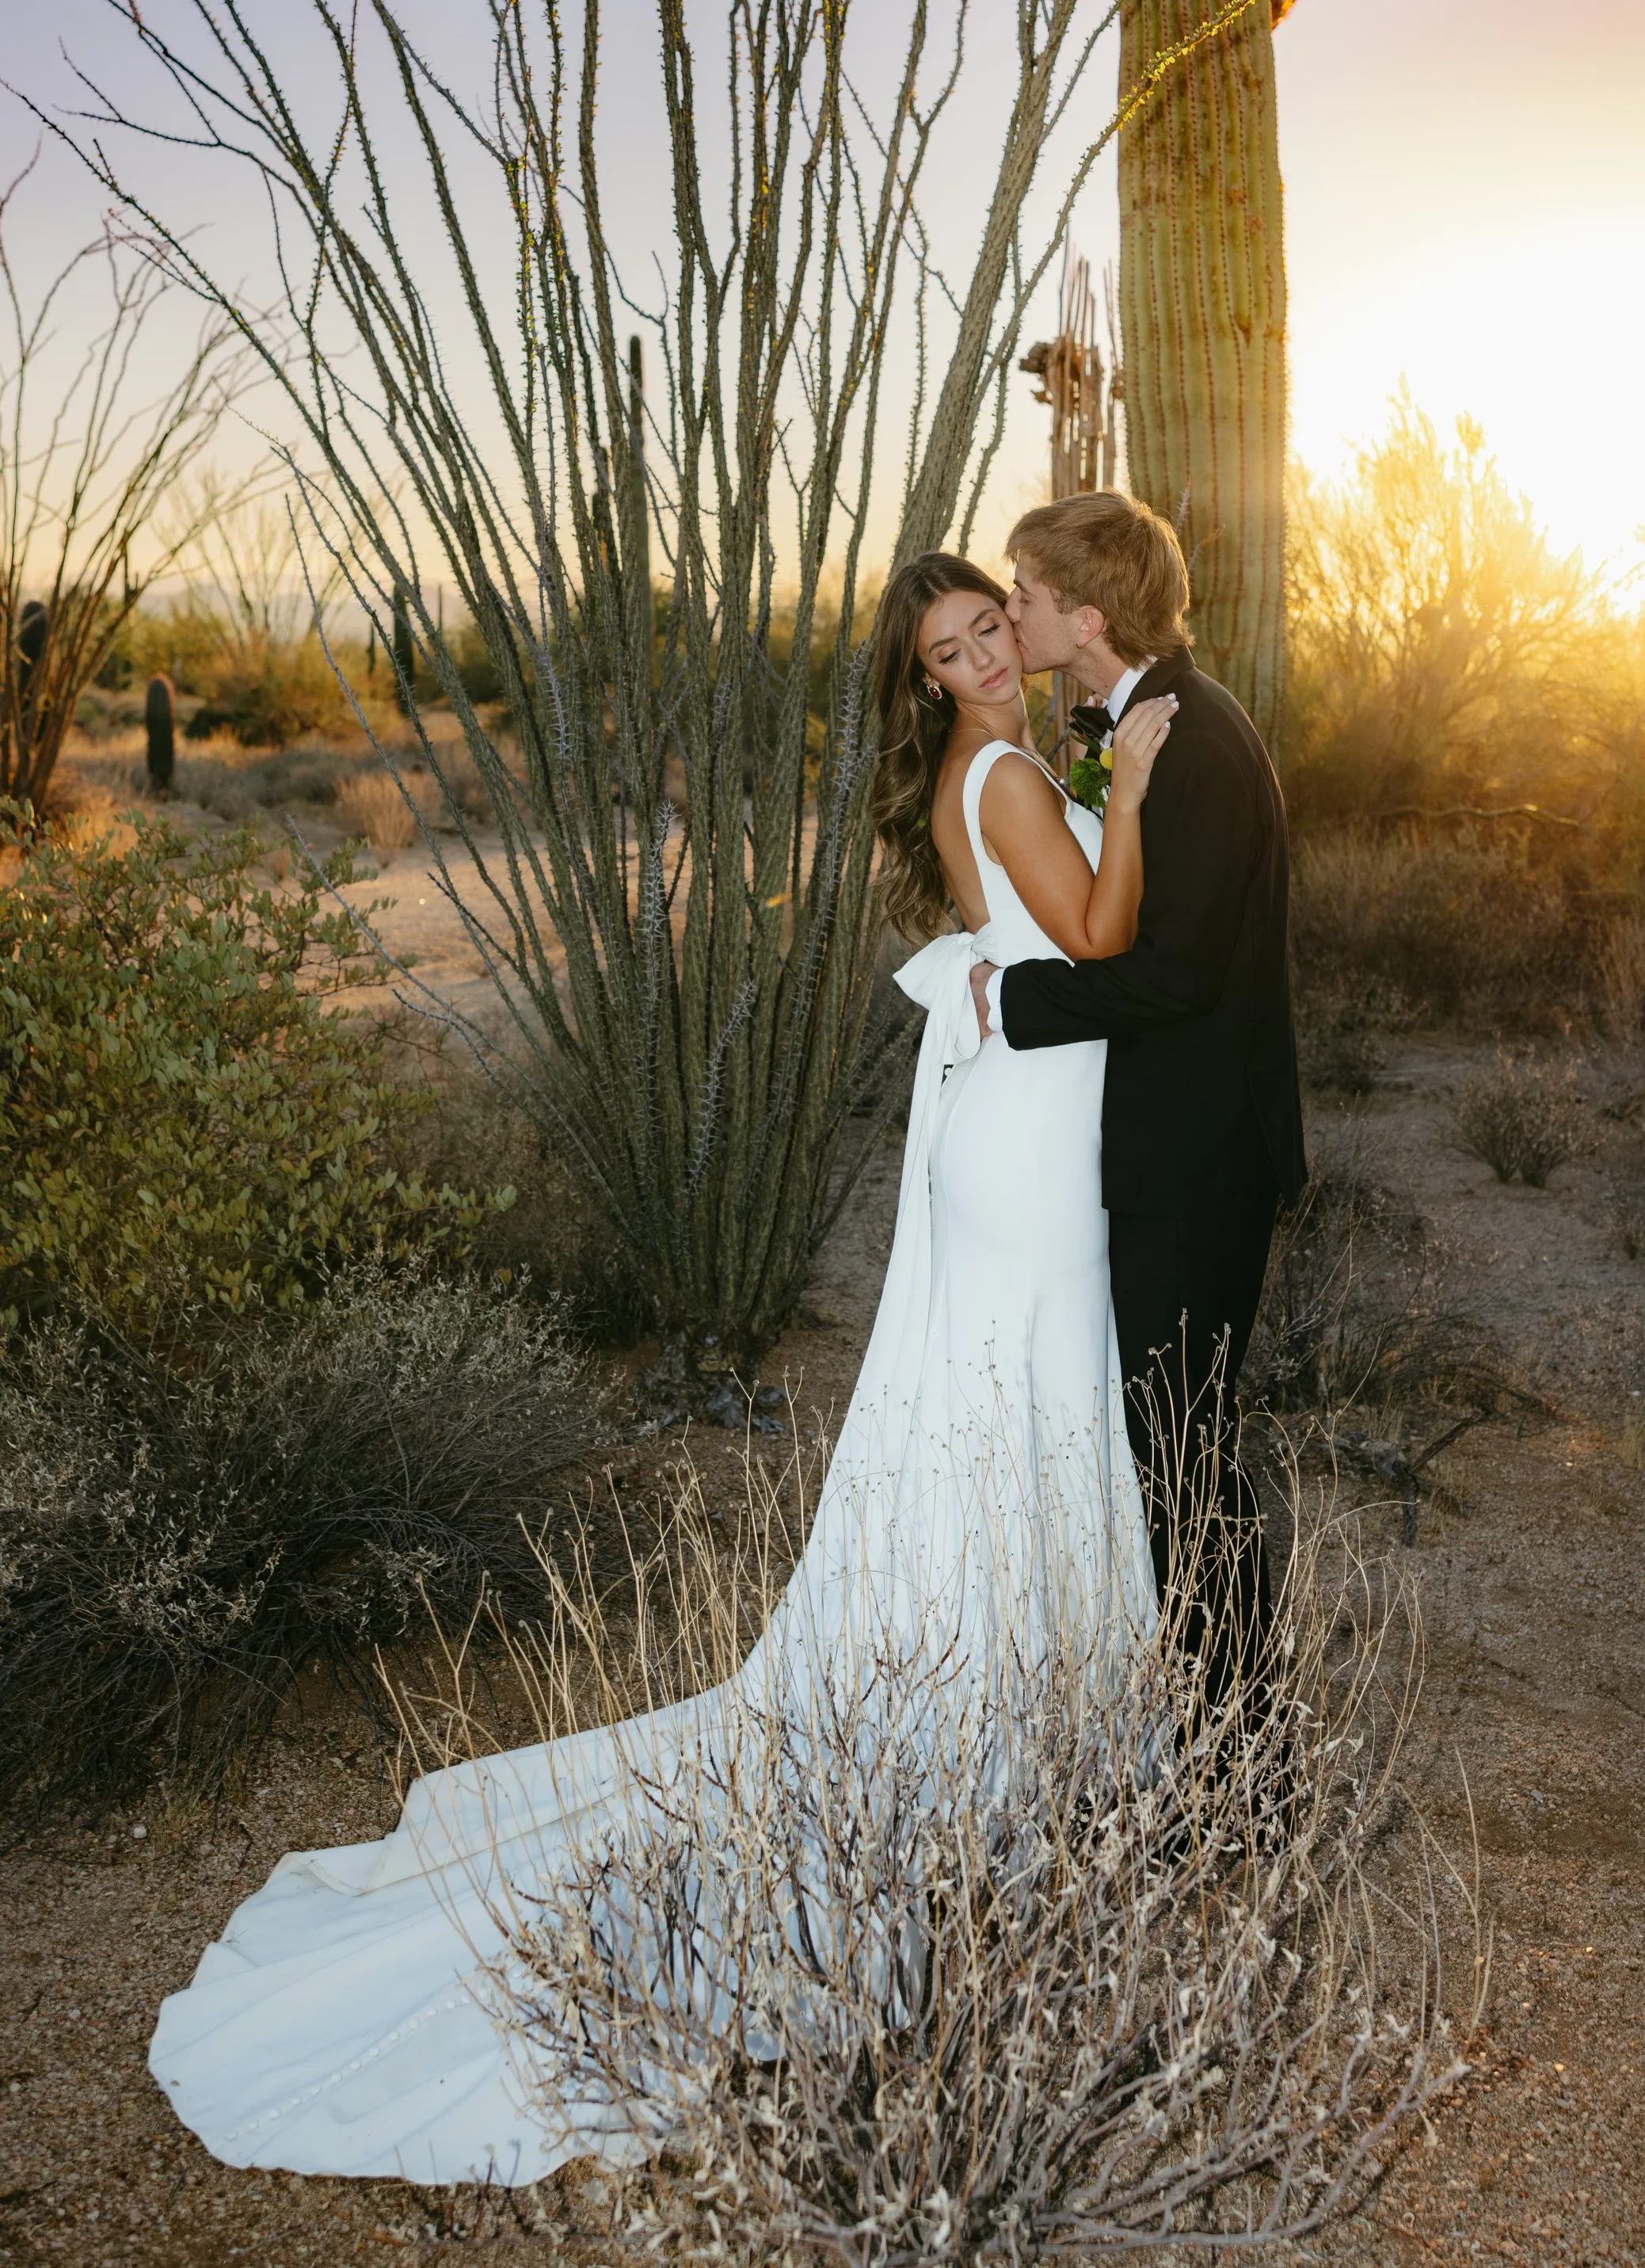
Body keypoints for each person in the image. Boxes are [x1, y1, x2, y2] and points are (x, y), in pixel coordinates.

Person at [149, 551, 1176, 2188]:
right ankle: (993, 1732)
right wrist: (1126, 779)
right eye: (951, 646)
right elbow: (1107, 930)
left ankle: (1003, 1717)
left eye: (992, 626)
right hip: (1027, 1156)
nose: (983, 655)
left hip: (1017, 1131)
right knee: (1019, 1407)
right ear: (925, 677)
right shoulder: (1003, 771)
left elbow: (1039, 950)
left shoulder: (973, 772)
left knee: (1006, 1410)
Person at [973, 490, 1307, 1704]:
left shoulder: (1197, 746)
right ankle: (1212, 1751)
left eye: (1025, 596)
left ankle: (1238, 1776)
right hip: (1175, 1148)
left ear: (1089, 617)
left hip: (1202, 1160)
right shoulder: (1147, 721)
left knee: (1187, 1462)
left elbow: (1177, 977)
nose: (1012, 614)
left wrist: (1014, 1002)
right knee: (1173, 1455)